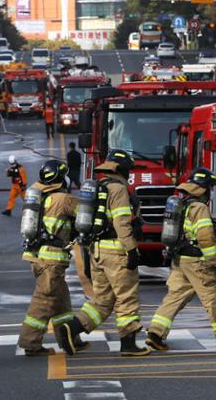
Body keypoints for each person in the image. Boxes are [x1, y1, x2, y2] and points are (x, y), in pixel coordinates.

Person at [59, 149, 150, 357]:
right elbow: (121, 222)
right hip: (116, 251)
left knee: (102, 300)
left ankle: (72, 328)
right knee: (126, 297)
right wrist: (131, 249)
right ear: (121, 169)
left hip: (96, 251)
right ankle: (128, 343)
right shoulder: (118, 190)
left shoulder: (100, 187)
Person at [146, 168, 216, 352]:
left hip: (180, 259)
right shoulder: (199, 208)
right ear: (203, 189)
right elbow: (206, 237)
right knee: (214, 297)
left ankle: (155, 333)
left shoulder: (183, 204)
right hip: (196, 261)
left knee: (175, 297)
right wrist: (214, 262)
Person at [18, 160, 89, 356]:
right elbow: (86, 214)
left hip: (39, 257)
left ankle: (70, 339)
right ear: (61, 178)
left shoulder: (40, 197)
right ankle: (30, 343)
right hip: (52, 260)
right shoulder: (62, 199)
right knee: (43, 302)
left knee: (62, 302)